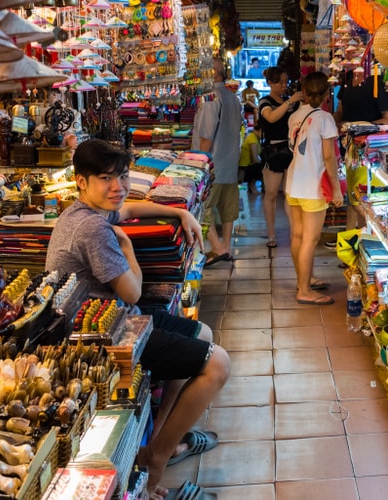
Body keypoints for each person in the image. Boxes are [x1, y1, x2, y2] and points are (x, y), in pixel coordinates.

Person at [46, 139, 230, 498]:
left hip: (118, 320)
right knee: (218, 364)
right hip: (107, 337)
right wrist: (128, 249)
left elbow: (128, 210)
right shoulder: (92, 230)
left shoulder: (81, 212)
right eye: (105, 178)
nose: (118, 187)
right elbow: (131, 292)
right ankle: (157, 461)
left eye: (123, 176)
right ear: (81, 181)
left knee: (203, 334)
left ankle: (161, 440)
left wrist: (181, 213)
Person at [286, 71, 343, 305]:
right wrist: (337, 189)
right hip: (312, 185)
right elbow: (329, 158)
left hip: (293, 182)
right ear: (327, 94)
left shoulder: (294, 116)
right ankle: (304, 290)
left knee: (298, 236)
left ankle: (304, 279)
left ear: (305, 92)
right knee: (310, 239)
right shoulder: (325, 118)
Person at [334, 70, 388, 233]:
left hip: (370, 149)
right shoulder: (348, 77)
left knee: (361, 197)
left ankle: (376, 236)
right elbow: (341, 110)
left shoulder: (376, 79)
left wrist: (359, 127)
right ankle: (354, 239)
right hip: (350, 147)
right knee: (353, 195)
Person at [192, 58, 243, 264]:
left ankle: (217, 247)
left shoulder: (210, 98)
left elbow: (206, 136)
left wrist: (201, 164)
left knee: (202, 206)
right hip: (230, 163)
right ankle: (227, 246)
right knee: (227, 207)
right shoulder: (233, 98)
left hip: (213, 165)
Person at [257, 66, 305, 248]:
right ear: (270, 82)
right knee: (271, 193)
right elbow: (270, 118)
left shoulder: (289, 101)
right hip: (274, 151)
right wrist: (289, 103)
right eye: (280, 82)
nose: (284, 85)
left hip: (291, 150)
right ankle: (271, 234)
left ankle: (294, 232)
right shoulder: (265, 102)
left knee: (289, 194)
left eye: (286, 82)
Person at [239, 124, 263, 194]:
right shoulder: (252, 139)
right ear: (259, 131)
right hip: (246, 166)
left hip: (248, 164)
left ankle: (252, 186)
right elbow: (255, 158)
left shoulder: (253, 137)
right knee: (260, 166)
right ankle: (252, 186)